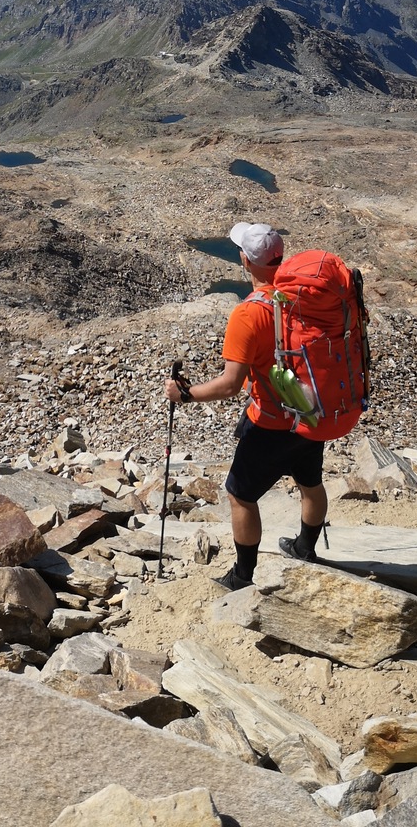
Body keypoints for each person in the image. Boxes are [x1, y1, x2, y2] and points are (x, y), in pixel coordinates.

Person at [163, 221, 328, 591]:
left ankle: (242, 576)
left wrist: (185, 394)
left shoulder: (248, 313)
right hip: (310, 411)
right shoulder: (304, 297)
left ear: (245, 260)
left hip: (271, 423)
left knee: (240, 495)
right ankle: (305, 548)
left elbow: (230, 384)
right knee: (310, 482)